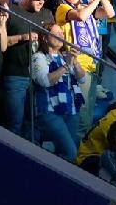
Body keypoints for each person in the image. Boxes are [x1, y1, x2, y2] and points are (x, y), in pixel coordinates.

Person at [55, 0, 115, 138]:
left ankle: (80, 147)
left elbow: (110, 13)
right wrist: (96, 0)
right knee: (81, 116)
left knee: (88, 114)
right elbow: (81, 16)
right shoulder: (63, 8)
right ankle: (75, 149)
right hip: (76, 65)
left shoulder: (85, 7)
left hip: (92, 64)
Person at [3, 0, 53, 137]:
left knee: (35, 125)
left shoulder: (46, 14)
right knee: (14, 123)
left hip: (39, 77)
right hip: (15, 75)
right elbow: (0, 42)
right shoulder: (11, 11)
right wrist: (22, 37)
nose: (42, 2)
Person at [31, 23, 86, 162]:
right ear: (45, 38)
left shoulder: (65, 56)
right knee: (70, 153)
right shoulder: (38, 57)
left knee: (66, 153)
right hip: (50, 111)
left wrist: (75, 61)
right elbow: (45, 81)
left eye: (62, 33)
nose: (61, 36)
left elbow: (82, 78)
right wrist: (67, 65)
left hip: (71, 110)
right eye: (57, 34)